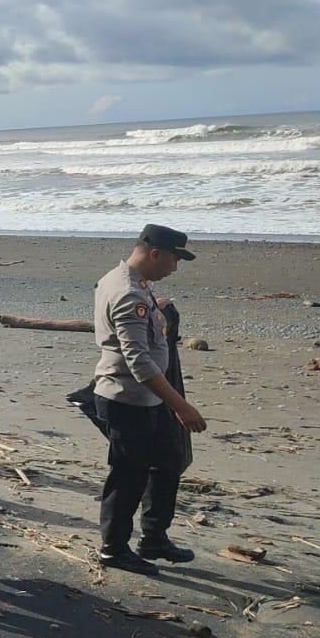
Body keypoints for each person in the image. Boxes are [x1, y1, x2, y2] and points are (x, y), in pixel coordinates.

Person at [93, 224, 207, 575]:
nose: (174, 268)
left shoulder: (125, 281)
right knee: (128, 476)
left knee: (166, 461)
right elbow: (138, 361)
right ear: (155, 253)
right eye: (174, 260)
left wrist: (156, 307)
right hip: (128, 399)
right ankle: (113, 548)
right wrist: (181, 405)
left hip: (145, 399)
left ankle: (154, 537)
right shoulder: (128, 293)